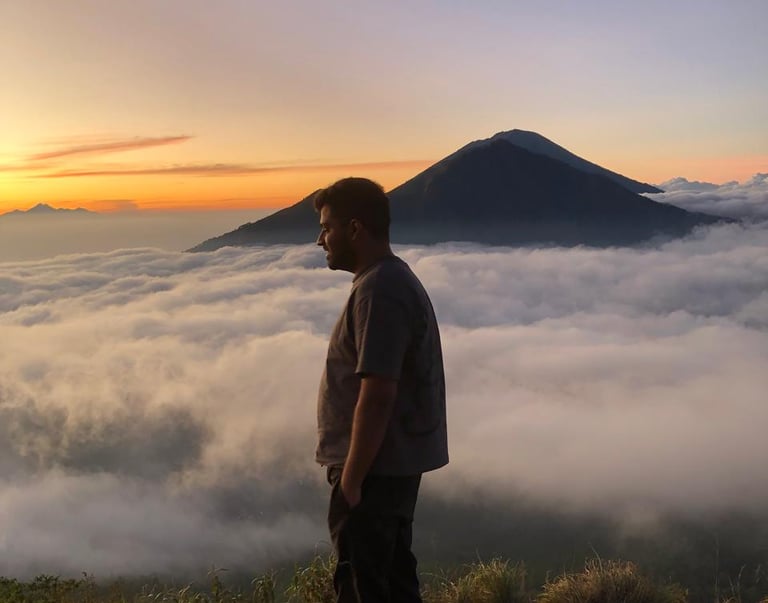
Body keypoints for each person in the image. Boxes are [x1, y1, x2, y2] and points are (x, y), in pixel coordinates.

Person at [314, 177, 448, 603]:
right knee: (392, 584)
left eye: (327, 227)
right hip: (385, 470)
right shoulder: (385, 282)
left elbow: (378, 393)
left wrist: (351, 480)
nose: (321, 240)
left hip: (374, 473)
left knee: (363, 587)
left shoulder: (380, 289)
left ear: (355, 229)